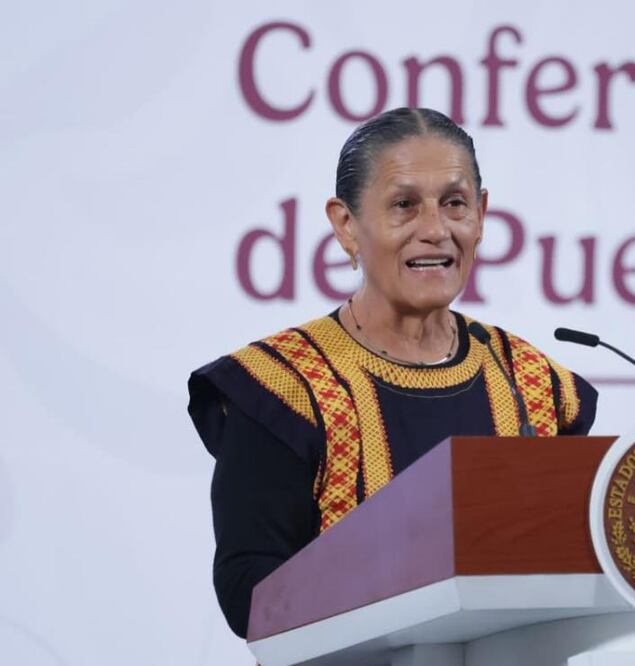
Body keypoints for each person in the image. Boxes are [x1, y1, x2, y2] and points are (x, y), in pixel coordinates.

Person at [186, 107, 598, 638]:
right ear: (345, 225)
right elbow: (252, 593)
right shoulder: (283, 387)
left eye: (455, 204)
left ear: (482, 214)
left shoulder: (533, 384)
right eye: (404, 205)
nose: (435, 230)